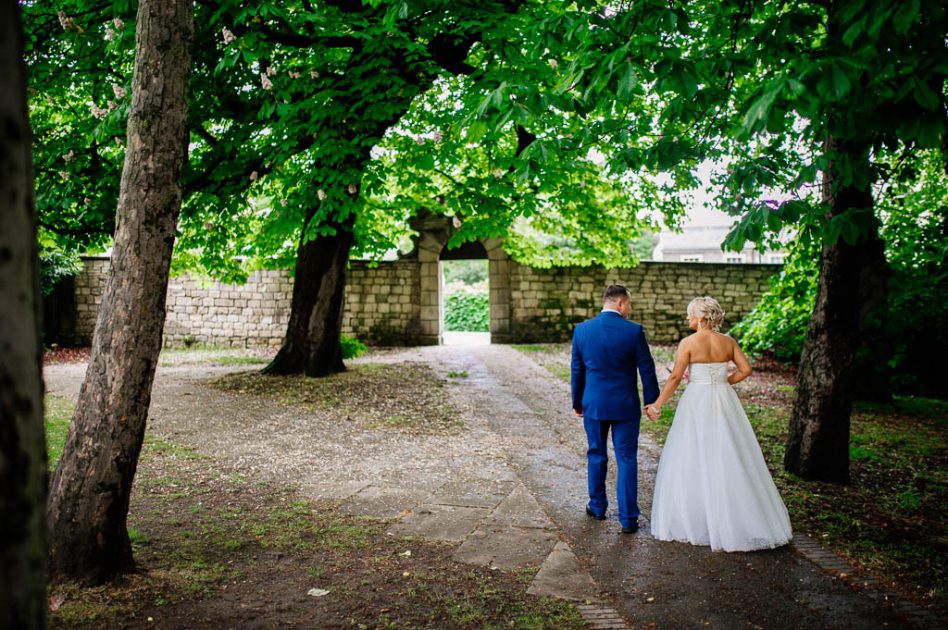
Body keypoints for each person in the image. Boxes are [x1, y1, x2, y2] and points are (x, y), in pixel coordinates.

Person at [645, 297, 792, 551]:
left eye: (690, 314)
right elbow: (746, 369)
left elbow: (676, 377)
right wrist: (724, 382)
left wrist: (657, 405)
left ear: (701, 317)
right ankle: (740, 517)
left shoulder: (688, 343)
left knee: (693, 453)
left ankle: (697, 518)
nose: (687, 318)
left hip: (697, 400)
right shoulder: (728, 342)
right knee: (730, 452)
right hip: (724, 400)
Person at [572, 284, 659, 533]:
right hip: (625, 405)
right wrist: (650, 401)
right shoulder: (633, 331)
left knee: (596, 453)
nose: (629, 309)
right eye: (629, 304)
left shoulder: (582, 331)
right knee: (627, 458)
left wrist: (577, 402)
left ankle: (598, 506)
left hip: (594, 404)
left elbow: (577, 370)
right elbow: (647, 368)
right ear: (620, 303)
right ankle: (629, 518)